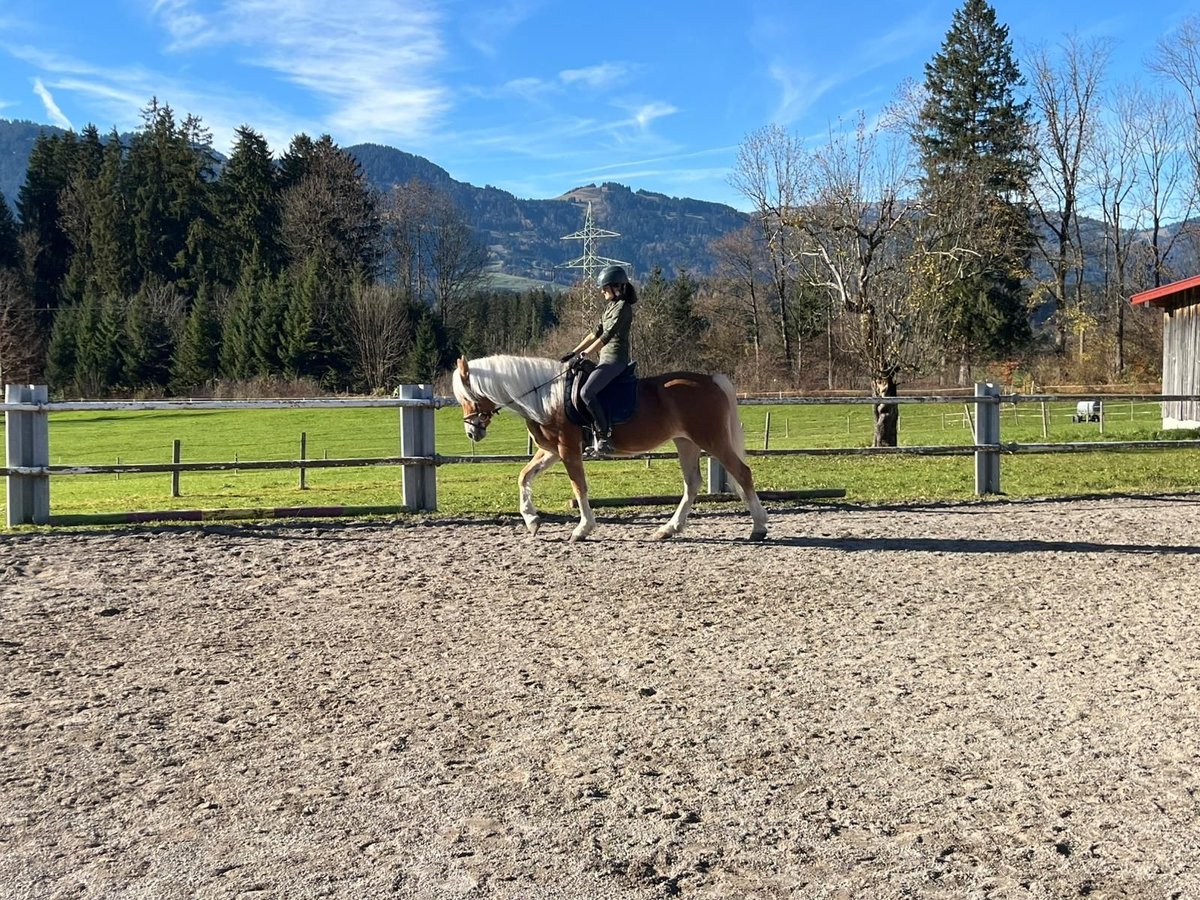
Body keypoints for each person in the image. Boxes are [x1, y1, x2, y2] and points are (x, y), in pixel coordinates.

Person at [560, 264, 637, 455]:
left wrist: (585, 355)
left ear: (616, 286)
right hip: (604, 359)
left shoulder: (623, 308)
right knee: (578, 383)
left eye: (605, 287)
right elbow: (595, 333)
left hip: (615, 360)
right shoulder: (610, 307)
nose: (602, 291)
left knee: (587, 392)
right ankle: (587, 433)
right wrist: (574, 351)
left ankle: (604, 435)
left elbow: (606, 337)